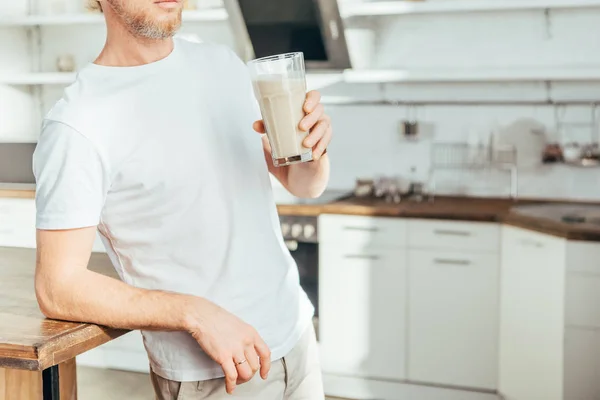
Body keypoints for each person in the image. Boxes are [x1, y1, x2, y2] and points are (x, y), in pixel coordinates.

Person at [32, 0, 332, 398]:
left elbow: (301, 182)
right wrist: (195, 313)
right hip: (219, 374)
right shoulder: (78, 124)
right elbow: (57, 286)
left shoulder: (223, 65)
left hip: (296, 338)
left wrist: (314, 149)